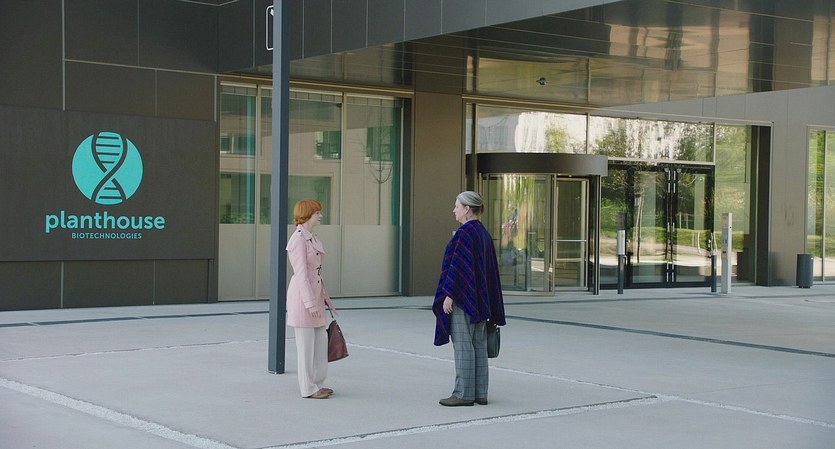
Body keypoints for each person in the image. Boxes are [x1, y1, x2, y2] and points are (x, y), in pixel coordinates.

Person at [432, 191, 506, 406]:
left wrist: (449, 295)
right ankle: (480, 393)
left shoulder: (465, 233)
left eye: (457, 206)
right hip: (480, 300)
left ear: (467, 209)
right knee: (478, 345)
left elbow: (459, 267)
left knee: (464, 345)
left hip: (464, 300)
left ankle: (463, 394)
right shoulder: (482, 233)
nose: (454, 210)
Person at [286, 199, 336, 399]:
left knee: (320, 342)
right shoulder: (298, 239)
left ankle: (318, 383)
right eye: (317, 213)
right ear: (307, 214)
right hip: (303, 298)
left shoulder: (311, 237)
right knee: (306, 346)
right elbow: (301, 275)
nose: (320, 216)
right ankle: (308, 388)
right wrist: (310, 303)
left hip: (315, 295)